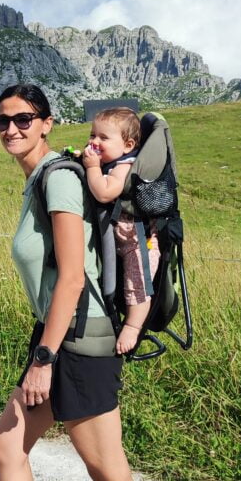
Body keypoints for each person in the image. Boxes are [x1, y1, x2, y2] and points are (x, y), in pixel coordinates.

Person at [0, 84, 143, 481]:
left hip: (77, 338)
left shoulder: (58, 179)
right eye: (3, 120)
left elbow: (73, 277)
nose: (12, 129)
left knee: (109, 474)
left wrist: (44, 359)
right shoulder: (40, 178)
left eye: (24, 120)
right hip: (60, 331)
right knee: (6, 448)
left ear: (46, 125)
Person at [81, 108, 160, 355]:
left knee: (137, 284)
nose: (94, 141)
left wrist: (92, 167)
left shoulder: (125, 166)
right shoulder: (111, 162)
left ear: (128, 145)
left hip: (139, 242)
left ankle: (133, 326)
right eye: (93, 135)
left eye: (103, 138)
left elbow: (104, 192)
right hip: (118, 239)